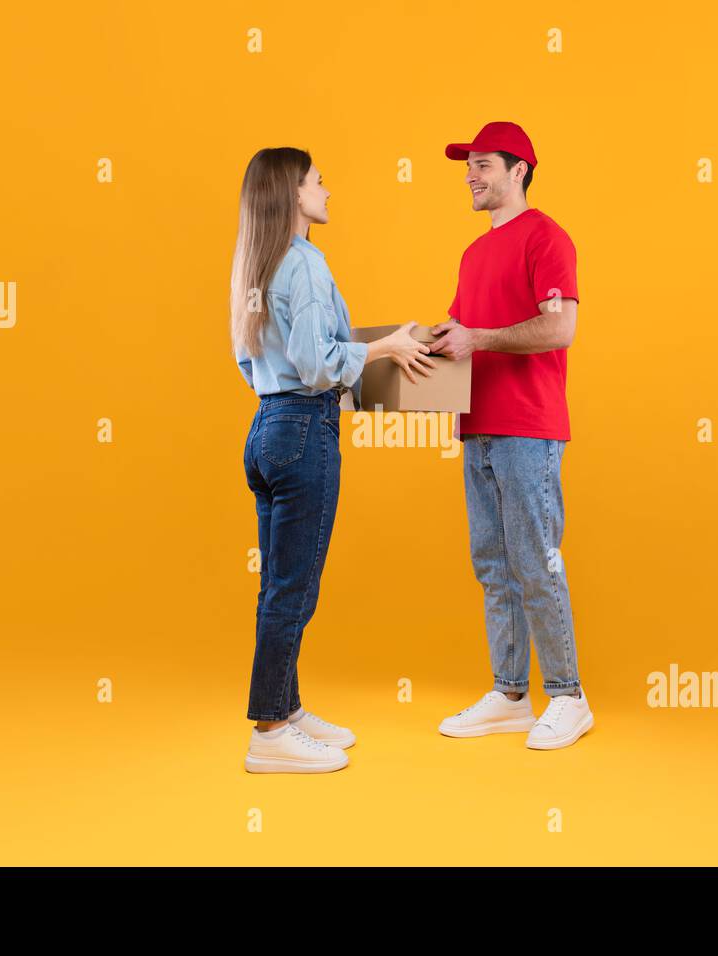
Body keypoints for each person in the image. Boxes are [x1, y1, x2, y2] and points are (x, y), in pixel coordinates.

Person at [231, 147, 435, 773]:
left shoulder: (254, 264)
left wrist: (357, 353)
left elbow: (258, 360)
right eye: (319, 179)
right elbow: (318, 365)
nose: (327, 188)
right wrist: (388, 348)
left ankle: (286, 708)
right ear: (294, 190)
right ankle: (269, 732)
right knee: (294, 588)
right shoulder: (305, 266)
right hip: (302, 430)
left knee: (277, 583)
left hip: (266, 426)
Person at [429, 122, 595, 750]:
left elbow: (559, 330)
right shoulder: (474, 253)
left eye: (482, 165)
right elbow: (461, 327)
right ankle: (508, 694)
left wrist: (478, 338)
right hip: (477, 427)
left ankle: (569, 695)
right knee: (493, 565)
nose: (470, 176)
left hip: (529, 426)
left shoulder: (546, 237)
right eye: (467, 166)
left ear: (518, 169)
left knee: (536, 560)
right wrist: (419, 343)